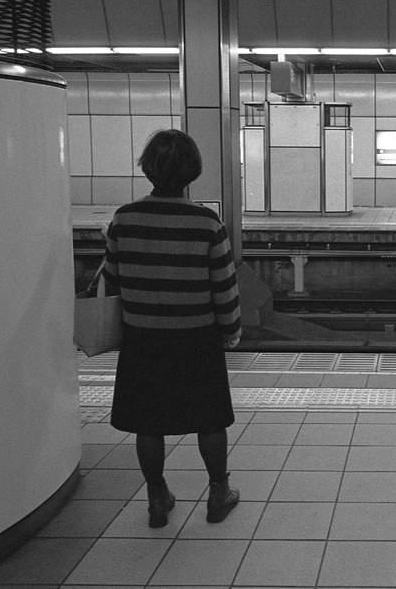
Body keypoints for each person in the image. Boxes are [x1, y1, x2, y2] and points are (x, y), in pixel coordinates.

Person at [104, 129, 243, 527]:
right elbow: (224, 283)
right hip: (196, 337)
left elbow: (113, 278)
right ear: (191, 173)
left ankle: (157, 497)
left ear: (148, 170)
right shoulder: (205, 222)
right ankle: (218, 493)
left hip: (143, 338)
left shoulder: (124, 218)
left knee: (148, 422)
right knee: (209, 418)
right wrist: (231, 329)